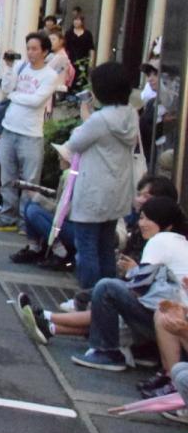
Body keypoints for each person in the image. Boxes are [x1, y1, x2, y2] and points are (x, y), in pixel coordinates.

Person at [17, 197, 188, 372]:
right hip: (171, 322)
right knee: (108, 304)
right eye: (142, 217)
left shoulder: (161, 241)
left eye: (148, 219)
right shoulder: (179, 242)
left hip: (169, 322)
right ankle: (49, 325)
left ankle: (106, 352)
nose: (141, 223)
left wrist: (124, 279)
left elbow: (139, 286)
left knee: (107, 288)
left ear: (167, 224)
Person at [61, 62, 138, 291]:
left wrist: (86, 116)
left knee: (86, 248)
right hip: (117, 191)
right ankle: (106, 297)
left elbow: (75, 143)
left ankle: (87, 299)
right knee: (105, 247)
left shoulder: (99, 119)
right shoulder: (131, 114)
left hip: (93, 191)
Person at [0, 33, 63, 232]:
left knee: (29, 182)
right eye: (28, 48)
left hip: (31, 133)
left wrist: (15, 95)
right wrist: (10, 67)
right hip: (9, 128)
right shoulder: (21, 67)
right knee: (7, 177)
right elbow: (6, 88)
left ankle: (24, 220)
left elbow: (37, 101)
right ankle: (7, 217)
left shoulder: (50, 75)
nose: (30, 53)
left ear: (45, 51)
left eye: (35, 49)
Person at [64, 14, 95, 90]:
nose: (76, 22)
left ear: (82, 22)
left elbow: (91, 48)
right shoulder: (69, 33)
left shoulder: (87, 34)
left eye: (78, 20)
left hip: (83, 60)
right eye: (75, 20)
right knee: (71, 77)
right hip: (71, 59)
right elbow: (65, 47)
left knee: (81, 78)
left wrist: (91, 60)